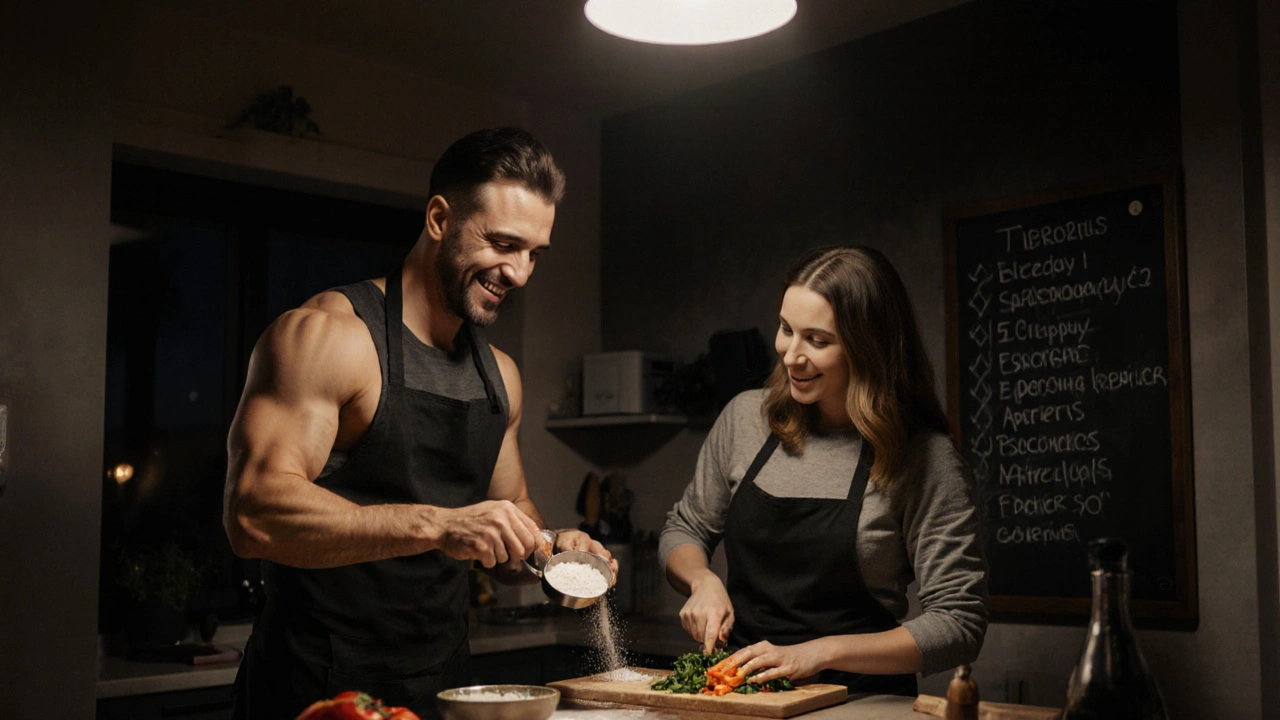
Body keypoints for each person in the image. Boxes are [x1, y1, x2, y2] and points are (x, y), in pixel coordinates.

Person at [222, 127, 614, 720]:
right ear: (438, 219)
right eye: (504, 244)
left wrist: (551, 549)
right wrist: (439, 526)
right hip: (315, 689)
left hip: (444, 689)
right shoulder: (328, 337)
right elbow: (253, 513)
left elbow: (514, 522)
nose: (521, 273)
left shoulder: (499, 377)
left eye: (534, 253)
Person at [660, 245, 988, 697]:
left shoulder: (924, 458)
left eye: (817, 340)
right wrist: (703, 580)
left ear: (867, 349)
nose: (791, 356)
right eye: (786, 329)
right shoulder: (744, 420)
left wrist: (817, 653)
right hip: (747, 696)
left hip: (865, 700)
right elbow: (685, 529)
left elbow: (958, 622)